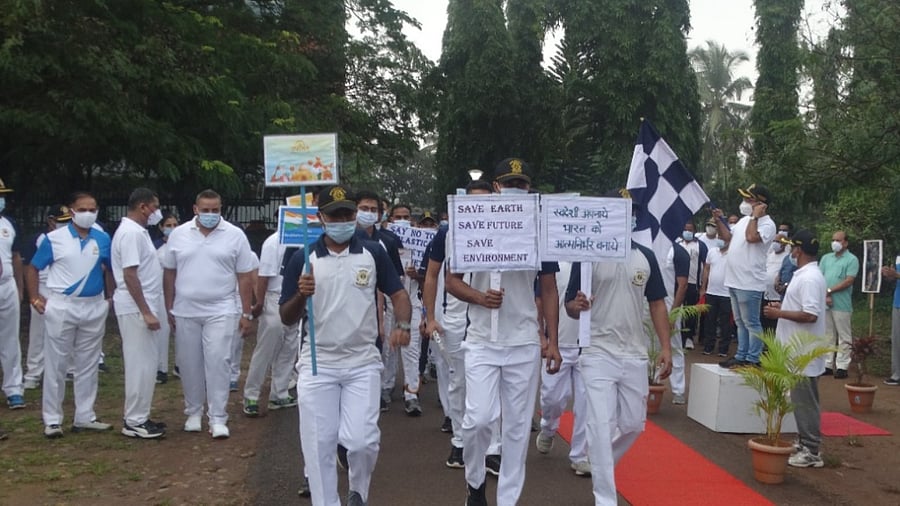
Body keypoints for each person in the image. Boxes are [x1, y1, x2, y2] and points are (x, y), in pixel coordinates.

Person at [280, 184, 412, 506]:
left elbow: (398, 294)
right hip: (317, 363)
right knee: (319, 445)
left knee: (361, 442)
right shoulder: (303, 258)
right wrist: (301, 294)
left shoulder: (373, 253)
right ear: (321, 218)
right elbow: (286, 316)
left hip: (362, 361)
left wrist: (403, 325)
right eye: (335, 214)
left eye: (348, 214)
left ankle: (358, 492)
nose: (343, 220)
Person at [446, 158, 562, 506]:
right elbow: (452, 281)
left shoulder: (538, 229)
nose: (516, 189)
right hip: (482, 339)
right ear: (496, 187)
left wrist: (552, 339)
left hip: (524, 340)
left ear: (529, 189)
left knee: (515, 430)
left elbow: (550, 287)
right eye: (509, 183)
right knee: (479, 420)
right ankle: (475, 483)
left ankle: (508, 499)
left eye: (522, 184)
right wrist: (480, 298)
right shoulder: (470, 225)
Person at [565, 188, 673, 506]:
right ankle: (605, 498)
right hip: (597, 350)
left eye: (631, 211)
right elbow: (570, 304)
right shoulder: (587, 257)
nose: (627, 215)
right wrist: (578, 304)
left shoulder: (645, 256)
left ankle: (599, 461)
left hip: (634, 352)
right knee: (599, 425)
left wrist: (666, 347)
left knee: (633, 424)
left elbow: (657, 304)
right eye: (619, 209)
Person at [162, 189, 258, 439]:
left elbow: (245, 276)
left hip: (222, 307)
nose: (210, 214)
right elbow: (169, 273)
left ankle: (218, 417)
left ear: (221, 209)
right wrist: (169, 306)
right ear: (196, 209)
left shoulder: (235, 235)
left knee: (218, 360)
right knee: (189, 361)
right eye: (205, 210)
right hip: (185, 308)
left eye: (215, 210)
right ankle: (193, 412)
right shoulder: (179, 235)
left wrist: (246, 313)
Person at [422, 179, 502, 471]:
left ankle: (493, 448)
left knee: (493, 385)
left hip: (491, 318)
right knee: (459, 382)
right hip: (454, 319)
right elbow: (432, 276)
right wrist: (430, 318)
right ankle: (459, 440)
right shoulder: (448, 232)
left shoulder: (506, 229)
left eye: (486, 200)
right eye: (473, 201)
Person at [26, 191, 115, 438]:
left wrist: (110, 297)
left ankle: (85, 415)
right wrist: (34, 297)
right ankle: (52, 420)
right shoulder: (54, 239)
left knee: (88, 363)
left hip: (94, 305)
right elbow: (33, 268)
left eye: (93, 208)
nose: (88, 213)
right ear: (71, 210)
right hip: (63, 305)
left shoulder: (102, 238)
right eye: (83, 208)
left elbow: (108, 268)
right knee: (57, 364)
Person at [762, 230, 827, 468]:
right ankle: (805, 443)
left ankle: (811, 450)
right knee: (801, 402)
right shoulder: (806, 275)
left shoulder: (809, 278)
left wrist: (779, 313)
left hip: (804, 355)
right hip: (798, 353)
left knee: (805, 403)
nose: (790, 251)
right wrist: (785, 306)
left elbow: (810, 314)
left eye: (792, 247)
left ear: (798, 250)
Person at [111, 188, 167, 439]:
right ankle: (134, 420)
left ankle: (139, 415)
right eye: (155, 207)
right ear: (143, 207)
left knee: (147, 364)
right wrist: (146, 311)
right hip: (136, 308)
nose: (157, 212)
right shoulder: (131, 234)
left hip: (143, 305)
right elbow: (130, 275)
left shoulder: (138, 232)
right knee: (139, 364)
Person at [714, 184, 777, 368]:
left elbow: (751, 237)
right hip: (734, 279)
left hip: (749, 281)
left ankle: (753, 358)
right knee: (740, 322)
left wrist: (755, 217)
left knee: (751, 322)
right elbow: (727, 237)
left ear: (761, 203)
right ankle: (742, 355)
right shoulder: (744, 220)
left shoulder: (767, 224)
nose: (745, 202)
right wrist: (719, 220)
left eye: (749, 199)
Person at [535, 261, 589, 476]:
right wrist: (542, 335)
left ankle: (580, 455)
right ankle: (548, 427)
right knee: (552, 398)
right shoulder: (553, 263)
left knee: (586, 403)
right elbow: (540, 300)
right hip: (557, 344)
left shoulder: (593, 262)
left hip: (588, 346)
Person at [354, 190, 403, 412]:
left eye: (374, 210)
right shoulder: (343, 240)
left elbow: (391, 283)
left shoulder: (387, 242)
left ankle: (376, 396)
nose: (369, 213)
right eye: (364, 209)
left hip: (374, 310)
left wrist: (385, 320)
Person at [242, 225, 298, 417]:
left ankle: (279, 393)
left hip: (297, 298)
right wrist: (259, 302)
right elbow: (263, 276)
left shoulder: (307, 240)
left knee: (289, 347)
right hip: (275, 297)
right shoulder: (274, 242)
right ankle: (251, 395)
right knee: (266, 348)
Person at [21, 205, 73, 390]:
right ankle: (34, 373)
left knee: (65, 333)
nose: (65, 225)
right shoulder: (39, 239)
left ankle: (64, 369)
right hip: (43, 287)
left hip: (62, 289)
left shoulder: (72, 239)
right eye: (61, 221)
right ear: (51, 220)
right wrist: (34, 296)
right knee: (38, 333)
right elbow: (29, 269)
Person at [819, 230, 859, 379]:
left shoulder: (851, 259)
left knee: (844, 335)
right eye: (833, 239)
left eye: (838, 240)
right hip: (826, 301)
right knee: (827, 334)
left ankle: (842, 366)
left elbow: (849, 280)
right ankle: (827, 364)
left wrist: (829, 291)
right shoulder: (826, 258)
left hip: (842, 303)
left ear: (845, 243)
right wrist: (825, 294)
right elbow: (820, 276)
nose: (835, 242)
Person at [0, 178, 25, 412]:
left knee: (10, 338)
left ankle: (14, 388)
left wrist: (19, 288)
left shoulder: (8, 223)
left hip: (6, 285)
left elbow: (16, 257)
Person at [154, 212, 179, 382]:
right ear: (161, 227)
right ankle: (161, 368)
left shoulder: (184, 245)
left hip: (183, 293)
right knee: (163, 330)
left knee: (182, 331)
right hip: (162, 293)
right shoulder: (155, 248)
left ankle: (181, 366)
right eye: (168, 225)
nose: (172, 229)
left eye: (175, 225)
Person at [700, 236, 733, 356]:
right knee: (709, 321)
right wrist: (703, 287)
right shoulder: (712, 251)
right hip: (711, 292)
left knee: (725, 323)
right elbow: (706, 269)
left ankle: (723, 348)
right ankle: (708, 346)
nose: (721, 240)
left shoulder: (734, 253)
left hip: (727, 294)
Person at [761, 225, 792, 333]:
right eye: (774, 241)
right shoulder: (769, 255)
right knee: (764, 322)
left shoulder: (787, 257)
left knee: (776, 324)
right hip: (766, 294)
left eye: (778, 241)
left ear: (784, 244)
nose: (775, 243)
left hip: (778, 296)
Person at [881, 259, 900, 386]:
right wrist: (889, 275)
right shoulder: (899, 257)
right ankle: (897, 374)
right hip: (897, 303)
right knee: (896, 339)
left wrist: (897, 275)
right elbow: (894, 279)